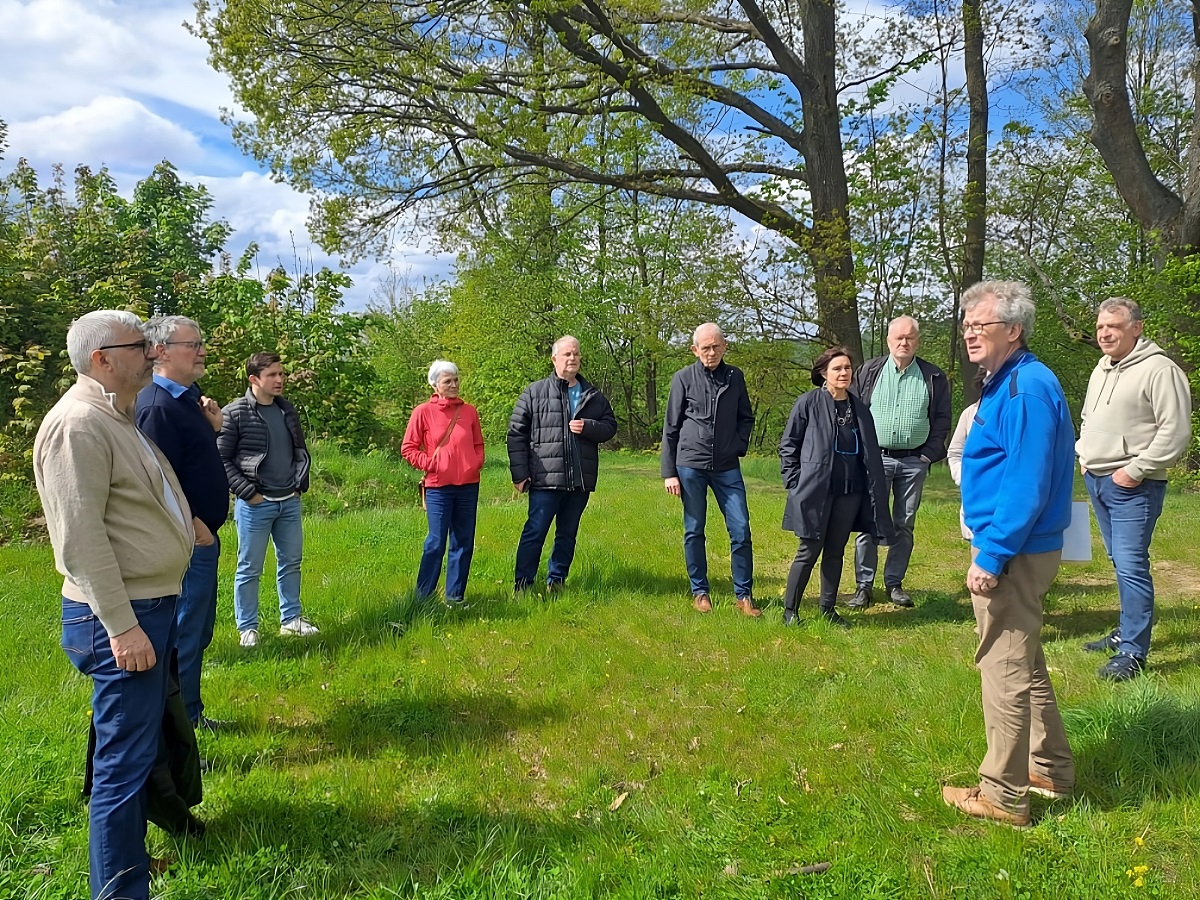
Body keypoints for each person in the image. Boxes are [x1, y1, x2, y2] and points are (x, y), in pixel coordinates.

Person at [34, 310, 195, 900]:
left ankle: (126, 857)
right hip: (119, 617)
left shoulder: (114, 416)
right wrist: (123, 628)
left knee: (132, 749)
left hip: (145, 606)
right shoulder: (77, 425)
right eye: (139, 346)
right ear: (102, 358)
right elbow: (79, 540)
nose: (152, 354)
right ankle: (120, 889)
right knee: (121, 768)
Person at [942, 280, 1075, 828]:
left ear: (1014, 330)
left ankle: (1002, 795)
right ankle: (1050, 769)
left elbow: (1026, 483)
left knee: (1002, 666)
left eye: (982, 325)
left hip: (1013, 548)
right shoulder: (1007, 381)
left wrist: (991, 554)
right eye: (967, 324)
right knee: (1024, 659)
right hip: (1014, 542)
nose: (970, 332)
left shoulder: (1025, 389)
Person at [1077, 297, 1191, 682]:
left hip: (1133, 485)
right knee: (1119, 562)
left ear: (1136, 328)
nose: (1105, 333)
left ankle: (1133, 652)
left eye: (1114, 326)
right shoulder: (1101, 369)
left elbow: (1175, 432)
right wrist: (1083, 452)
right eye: (1100, 327)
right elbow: (1089, 416)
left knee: (1131, 565)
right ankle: (1126, 632)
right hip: (1097, 478)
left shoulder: (1160, 370)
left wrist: (1136, 470)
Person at [136, 316, 230, 731]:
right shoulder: (156, 406)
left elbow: (188, 464)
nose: (202, 351)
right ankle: (182, 730)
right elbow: (155, 480)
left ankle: (190, 714)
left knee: (197, 632)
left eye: (200, 342)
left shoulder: (186, 400)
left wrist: (214, 429)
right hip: (186, 541)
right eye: (193, 344)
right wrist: (195, 526)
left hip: (200, 538)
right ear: (160, 352)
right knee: (184, 637)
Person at [778, 347, 892, 629]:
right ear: (823, 374)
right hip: (815, 491)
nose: (844, 373)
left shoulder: (859, 408)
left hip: (850, 492)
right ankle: (790, 611)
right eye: (837, 368)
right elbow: (788, 446)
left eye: (847, 368)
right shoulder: (807, 403)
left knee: (835, 551)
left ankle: (827, 609)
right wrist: (795, 482)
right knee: (809, 549)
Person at [849, 316, 951, 609]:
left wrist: (928, 454)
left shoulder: (933, 376)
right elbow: (852, 411)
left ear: (918, 341)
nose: (904, 343)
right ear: (888, 340)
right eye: (899, 338)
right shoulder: (869, 371)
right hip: (875, 459)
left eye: (910, 338)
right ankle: (863, 587)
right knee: (868, 521)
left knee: (903, 524)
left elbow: (943, 418)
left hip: (913, 461)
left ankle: (894, 583)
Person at [218, 352, 319, 647]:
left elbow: (299, 449)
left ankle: (291, 620)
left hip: (289, 501)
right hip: (255, 505)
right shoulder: (235, 413)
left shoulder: (287, 410)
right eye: (273, 374)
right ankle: (247, 628)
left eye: (282, 374)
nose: (280, 379)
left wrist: (301, 483)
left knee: (291, 562)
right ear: (254, 379)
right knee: (250, 567)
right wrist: (249, 493)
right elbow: (221, 460)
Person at [661, 323, 759, 616]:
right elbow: (671, 427)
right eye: (706, 348)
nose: (712, 352)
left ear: (725, 346)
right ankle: (700, 592)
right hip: (690, 464)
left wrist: (737, 446)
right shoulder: (683, 379)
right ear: (695, 350)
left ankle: (744, 596)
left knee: (740, 529)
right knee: (694, 530)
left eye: (716, 346)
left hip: (727, 466)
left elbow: (746, 418)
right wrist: (669, 472)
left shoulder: (735, 377)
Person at [508, 336, 618, 592]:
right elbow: (516, 434)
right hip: (545, 479)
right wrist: (520, 473)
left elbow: (610, 427)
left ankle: (556, 581)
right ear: (554, 358)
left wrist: (588, 427)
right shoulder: (534, 393)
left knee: (567, 534)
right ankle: (522, 585)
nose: (572, 358)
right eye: (567, 354)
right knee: (535, 532)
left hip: (579, 480)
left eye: (576, 354)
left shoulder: (592, 395)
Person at [402, 359, 486, 605]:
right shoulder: (423, 412)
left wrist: (475, 462)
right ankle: (423, 598)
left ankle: (455, 597)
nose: (453, 384)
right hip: (439, 488)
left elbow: (478, 444)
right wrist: (430, 465)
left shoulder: (469, 411)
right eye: (447, 381)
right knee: (436, 542)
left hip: (468, 487)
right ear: (435, 384)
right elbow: (408, 448)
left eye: (456, 380)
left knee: (463, 542)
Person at [946, 401, 979, 541]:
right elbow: (955, 452)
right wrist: (963, 479)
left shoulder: (1019, 410)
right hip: (975, 504)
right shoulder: (970, 412)